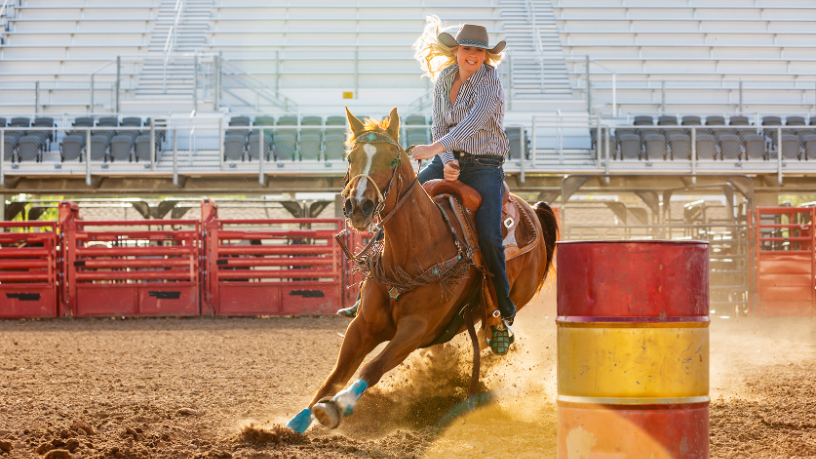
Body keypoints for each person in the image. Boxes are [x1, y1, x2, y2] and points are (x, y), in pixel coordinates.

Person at [338, 17, 515, 354]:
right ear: (457, 51)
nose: (473, 55)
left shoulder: (491, 84)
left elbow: (474, 124)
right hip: (448, 157)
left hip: (483, 166)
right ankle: (366, 292)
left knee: (490, 237)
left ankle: (503, 309)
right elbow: (439, 125)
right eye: (467, 49)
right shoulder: (443, 79)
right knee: (397, 205)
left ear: (486, 56)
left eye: (479, 51)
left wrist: (437, 150)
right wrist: (445, 159)